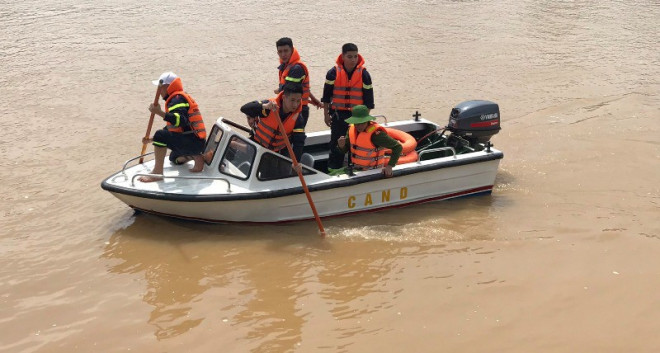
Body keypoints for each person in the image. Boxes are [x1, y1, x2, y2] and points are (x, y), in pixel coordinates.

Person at [139, 71, 207, 182]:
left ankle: (157, 173)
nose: (159, 91)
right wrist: (151, 140)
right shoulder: (178, 97)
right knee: (173, 158)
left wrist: (159, 112)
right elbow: (174, 128)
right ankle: (197, 156)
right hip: (196, 142)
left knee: (160, 135)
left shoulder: (177, 99)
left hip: (193, 141)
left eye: (160, 88)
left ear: (167, 86)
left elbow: (181, 121)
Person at [321, 43, 374, 174]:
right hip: (338, 116)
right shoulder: (333, 73)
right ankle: (333, 171)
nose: (353, 60)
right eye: (349, 56)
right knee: (336, 145)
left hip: (357, 118)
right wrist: (326, 115)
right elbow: (326, 97)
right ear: (343, 57)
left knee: (357, 144)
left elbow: (369, 101)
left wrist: (364, 120)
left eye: (355, 56)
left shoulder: (364, 75)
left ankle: (355, 169)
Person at [240, 82, 305, 173]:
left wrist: (296, 162)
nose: (295, 105)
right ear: (284, 97)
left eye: (298, 101)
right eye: (292, 100)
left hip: (277, 152)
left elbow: (299, 142)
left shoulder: (298, 119)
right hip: (257, 145)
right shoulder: (269, 107)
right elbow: (244, 108)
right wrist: (264, 106)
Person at [274, 38, 322, 145]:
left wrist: (278, 90)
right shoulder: (287, 66)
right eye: (280, 52)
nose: (283, 54)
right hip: (293, 107)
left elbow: (291, 89)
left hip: (297, 110)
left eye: (286, 51)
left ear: (292, 50)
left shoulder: (296, 68)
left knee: (291, 142)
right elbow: (303, 88)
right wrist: (314, 100)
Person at [337, 105, 402, 178]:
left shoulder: (376, 135)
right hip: (355, 169)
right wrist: (341, 146)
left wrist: (390, 166)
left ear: (367, 121)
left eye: (362, 123)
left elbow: (398, 147)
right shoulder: (351, 130)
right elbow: (344, 150)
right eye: (356, 123)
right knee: (333, 173)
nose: (359, 126)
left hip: (372, 172)